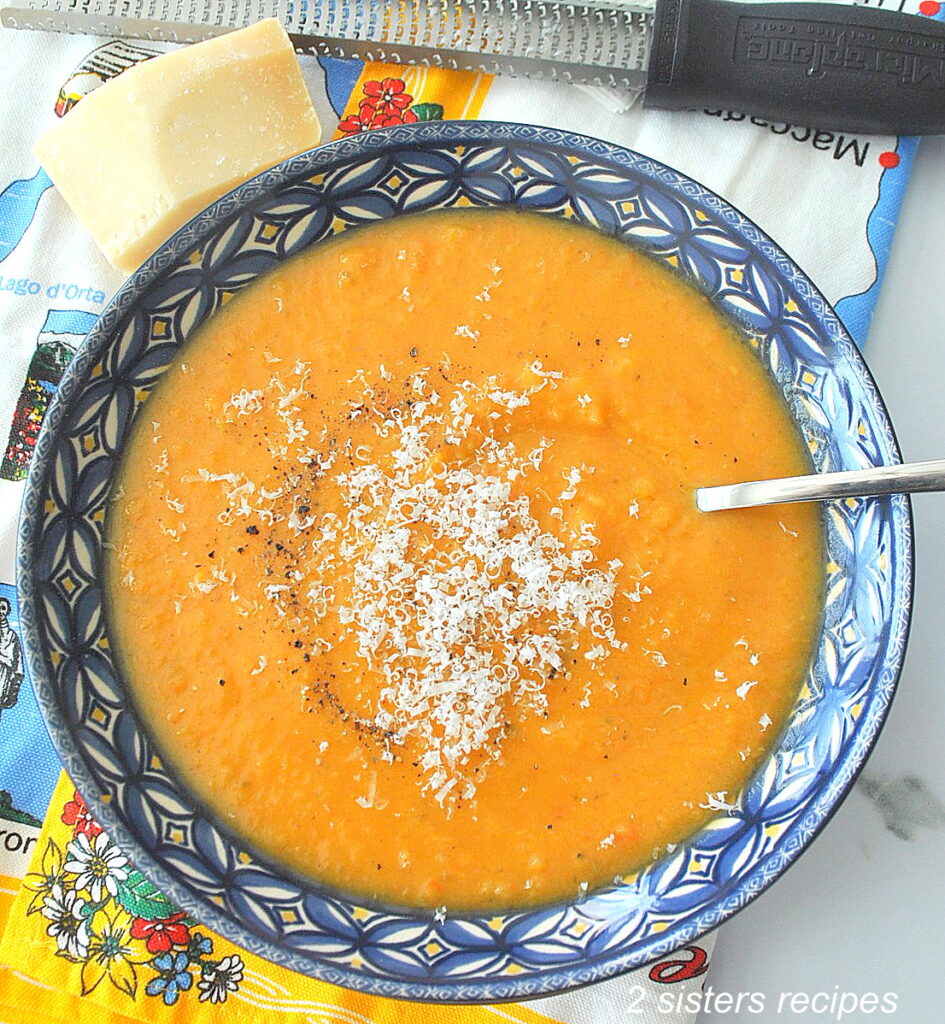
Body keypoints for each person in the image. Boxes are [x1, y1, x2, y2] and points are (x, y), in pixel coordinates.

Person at [0, 598, 23, 712]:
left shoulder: (12, 636)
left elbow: (18, 660)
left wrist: (17, 680)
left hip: (5, 675)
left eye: (3, 608)